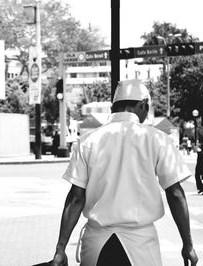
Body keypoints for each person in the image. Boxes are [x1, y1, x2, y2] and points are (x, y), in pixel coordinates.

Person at [51, 80, 198, 266]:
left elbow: (76, 199)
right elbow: (175, 193)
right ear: (143, 105)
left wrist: (60, 249)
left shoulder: (88, 141)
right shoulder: (157, 139)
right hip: (141, 245)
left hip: (96, 244)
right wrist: (188, 244)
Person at [194, 117, 203, 195]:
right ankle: (200, 187)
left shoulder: (199, 129)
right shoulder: (199, 129)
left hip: (201, 152)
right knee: (198, 172)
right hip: (201, 152)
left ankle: (200, 187)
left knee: (198, 172)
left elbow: (197, 141)